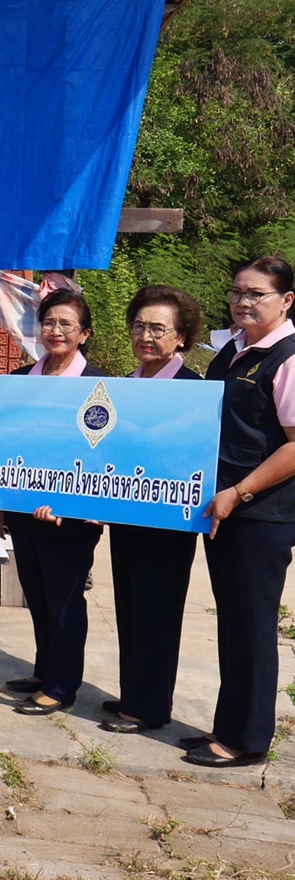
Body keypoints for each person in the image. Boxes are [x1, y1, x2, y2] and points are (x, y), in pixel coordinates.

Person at [184, 257, 295, 768]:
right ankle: (227, 725)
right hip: (224, 508)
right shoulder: (232, 349)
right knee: (231, 622)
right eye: (236, 292)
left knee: (252, 626)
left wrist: (241, 491)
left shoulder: (287, 358)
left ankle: (247, 741)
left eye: (256, 294)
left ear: (286, 301)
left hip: (261, 514)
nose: (242, 302)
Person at [101, 285, 203, 735]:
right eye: (139, 326)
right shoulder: (127, 384)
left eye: (158, 329)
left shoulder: (193, 389)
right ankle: (136, 694)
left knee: (157, 611)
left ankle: (147, 708)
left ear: (181, 337)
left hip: (167, 518)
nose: (146, 336)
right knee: (129, 606)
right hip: (128, 514)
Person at [2, 289, 106, 716]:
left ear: (84, 333)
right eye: (49, 322)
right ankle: (44, 670)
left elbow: (103, 455)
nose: (56, 330)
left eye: (66, 324)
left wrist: (71, 501)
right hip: (24, 508)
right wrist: (1, 498)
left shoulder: (99, 385)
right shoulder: (20, 380)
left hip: (71, 518)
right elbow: (7, 445)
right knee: (37, 594)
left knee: (64, 600)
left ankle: (63, 686)